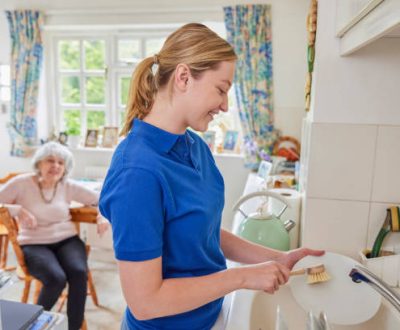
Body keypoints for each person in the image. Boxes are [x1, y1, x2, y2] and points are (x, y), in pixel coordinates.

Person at [99, 23, 324, 330]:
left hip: (209, 318)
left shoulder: (193, 146)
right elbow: (145, 302)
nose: (225, 105)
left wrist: (279, 257)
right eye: (220, 89)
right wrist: (243, 276)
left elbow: (203, 233)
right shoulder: (137, 172)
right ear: (183, 78)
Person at [0, 142, 109, 330]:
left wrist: (102, 216)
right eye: (50, 160)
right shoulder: (21, 183)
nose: (56, 166)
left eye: (61, 162)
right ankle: (30, 323)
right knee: (55, 278)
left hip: (67, 240)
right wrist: (18, 210)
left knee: (78, 272)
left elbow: (103, 199)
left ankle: (74, 327)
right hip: (34, 243)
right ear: (39, 163)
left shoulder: (67, 185)